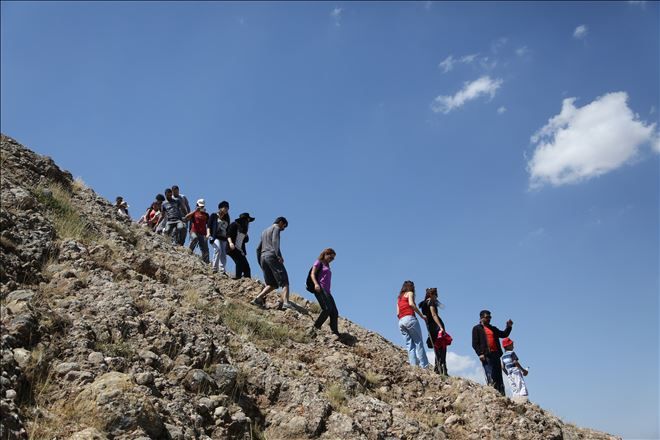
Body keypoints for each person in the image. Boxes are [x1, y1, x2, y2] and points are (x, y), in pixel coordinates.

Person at [250, 217, 291, 310]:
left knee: (272, 284)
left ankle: (258, 299)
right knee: (284, 280)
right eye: (284, 226)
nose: (283, 229)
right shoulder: (276, 228)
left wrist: (260, 262)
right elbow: (275, 241)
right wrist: (278, 255)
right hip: (272, 255)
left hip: (263, 257)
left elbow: (258, 248)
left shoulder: (264, 231)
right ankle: (286, 302)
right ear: (280, 222)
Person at [472, 310, 513, 395]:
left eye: (490, 317)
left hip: (496, 354)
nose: (489, 319)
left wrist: (508, 326)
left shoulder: (493, 328)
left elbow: (503, 334)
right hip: (486, 355)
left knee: (498, 375)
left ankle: (501, 394)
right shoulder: (477, 328)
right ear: (481, 318)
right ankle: (492, 393)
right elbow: (475, 343)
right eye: (487, 317)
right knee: (490, 374)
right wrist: (480, 354)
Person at [397, 280, 429, 368]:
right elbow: (411, 304)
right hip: (410, 318)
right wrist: (422, 316)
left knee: (409, 345)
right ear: (411, 287)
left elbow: (397, 313)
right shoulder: (410, 293)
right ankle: (424, 366)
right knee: (419, 342)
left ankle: (413, 366)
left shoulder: (399, 298)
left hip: (401, 321)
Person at [309, 248, 340, 338]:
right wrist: (316, 284)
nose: (332, 260)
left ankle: (335, 332)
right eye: (331, 257)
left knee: (334, 312)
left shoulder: (327, 265)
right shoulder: (319, 262)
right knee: (327, 309)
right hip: (320, 288)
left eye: (333, 258)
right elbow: (312, 273)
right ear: (326, 254)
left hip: (327, 291)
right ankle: (315, 328)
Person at [419, 287, 448, 376]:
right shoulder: (431, 302)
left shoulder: (423, 303)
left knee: (436, 347)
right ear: (432, 295)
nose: (437, 297)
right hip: (436, 326)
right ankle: (442, 369)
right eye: (436, 295)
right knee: (442, 347)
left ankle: (438, 367)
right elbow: (434, 314)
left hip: (430, 327)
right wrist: (440, 327)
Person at [227, 212, 255, 279]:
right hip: (233, 248)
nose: (248, 222)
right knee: (239, 262)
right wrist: (230, 243)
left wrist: (246, 235)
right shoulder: (234, 225)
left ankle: (247, 280)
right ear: (243, 220)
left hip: (240, 250)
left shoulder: (244, 229)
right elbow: (228, 235)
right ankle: (238, 278)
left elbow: (246, 240)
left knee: (247, 267)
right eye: (247, 220)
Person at [501, 338, 529, 403]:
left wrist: (508, 374)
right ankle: (523, 400)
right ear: (508, 346)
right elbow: (515, 362)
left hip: (509, 373)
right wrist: (523, 370)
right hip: (515, 371)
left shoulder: (503, 356)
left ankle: (516, 400)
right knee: (521, 385)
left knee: (514, 388)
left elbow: (502, 367)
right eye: (512, 344)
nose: (513, 346)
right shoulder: (512, 353)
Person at [208, 201, 230, 274]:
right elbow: (208, 225)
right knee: (218, 250)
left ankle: (222, 270)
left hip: (224, 238)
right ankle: (214, 268)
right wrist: (208, 234)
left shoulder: (227, 218)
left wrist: (229, 240)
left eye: (227, 208)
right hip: (215, 236)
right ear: (220, 208)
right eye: (225, 207)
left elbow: (227, 229)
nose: (227, 209)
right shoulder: (214, 215)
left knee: (223, 254)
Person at [185, 199, 210, 263]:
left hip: (203, 233)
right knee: (194, 238)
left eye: (202, 206)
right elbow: (186, 217)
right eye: (200, 206)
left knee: (205, 248)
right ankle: (189, 252)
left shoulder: (206, 215)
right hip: (194, 231)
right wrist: (195, 211)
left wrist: (208, 233)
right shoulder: (194, 213)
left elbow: (209, 224)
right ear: (197, 205)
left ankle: (206, 262)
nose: (201, 207)